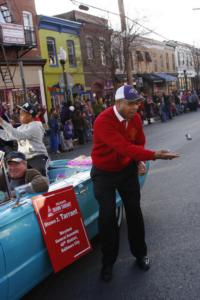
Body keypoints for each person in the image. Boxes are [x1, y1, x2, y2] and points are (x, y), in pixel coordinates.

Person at [91, 85, 179, 282]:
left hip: (126, 170)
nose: (135, 107)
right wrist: (153, 156)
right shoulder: (103, 121)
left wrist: (139, 160)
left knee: (134, 212)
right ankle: (108, 262)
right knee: (107, 217)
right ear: (118, 103)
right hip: (104, 173)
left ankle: (140, 254)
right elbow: (123, 146)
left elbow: (138, 142)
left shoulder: (136, 119)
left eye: (137, 103)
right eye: (131, 104)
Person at [0, 102, 49, 176]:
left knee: (37, 179)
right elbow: (8, 136)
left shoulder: (35, 126)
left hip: (37, 157)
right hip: (25, 159)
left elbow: (17, 135)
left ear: (30, 116)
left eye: (22, 114)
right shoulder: (22, 127)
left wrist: (2, 122)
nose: (19, 116)